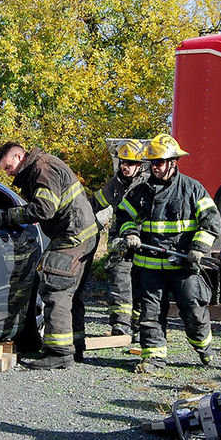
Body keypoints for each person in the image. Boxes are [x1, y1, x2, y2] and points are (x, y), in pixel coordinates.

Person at [114, 133, 221, 373]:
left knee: (193, 312)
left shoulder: (192, 189)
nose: (155, 167)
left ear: (173, 162)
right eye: (152, 163)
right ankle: (153, 359)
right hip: (150, 266)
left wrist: (198, 248)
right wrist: (130, 232)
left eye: (159, 162)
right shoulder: (140, 191)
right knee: (150, 314)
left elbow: (212, 221)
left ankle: (204, 348)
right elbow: (123, 215)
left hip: (183, 266)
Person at [0, 142, 99, 369]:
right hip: (84, 234)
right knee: (71, 293)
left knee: (55, 290)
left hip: (71, 237)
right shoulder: (42, 164)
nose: (8, 172)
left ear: (19, 156)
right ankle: (75, 348)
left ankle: (59, 353)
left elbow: (44, 209)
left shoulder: (42, 168)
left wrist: (7, 217)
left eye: (8, 166)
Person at [95, 140, 150, 339]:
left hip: (144, 243)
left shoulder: (149, 184)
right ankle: (120, 325)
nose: (125, 167)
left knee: (142, 285)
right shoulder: (115, 184)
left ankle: (138, 326)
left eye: (130, 163)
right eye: (123, 163)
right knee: (120, 281)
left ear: (141, 165)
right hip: (120, 242)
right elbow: (95, 203)